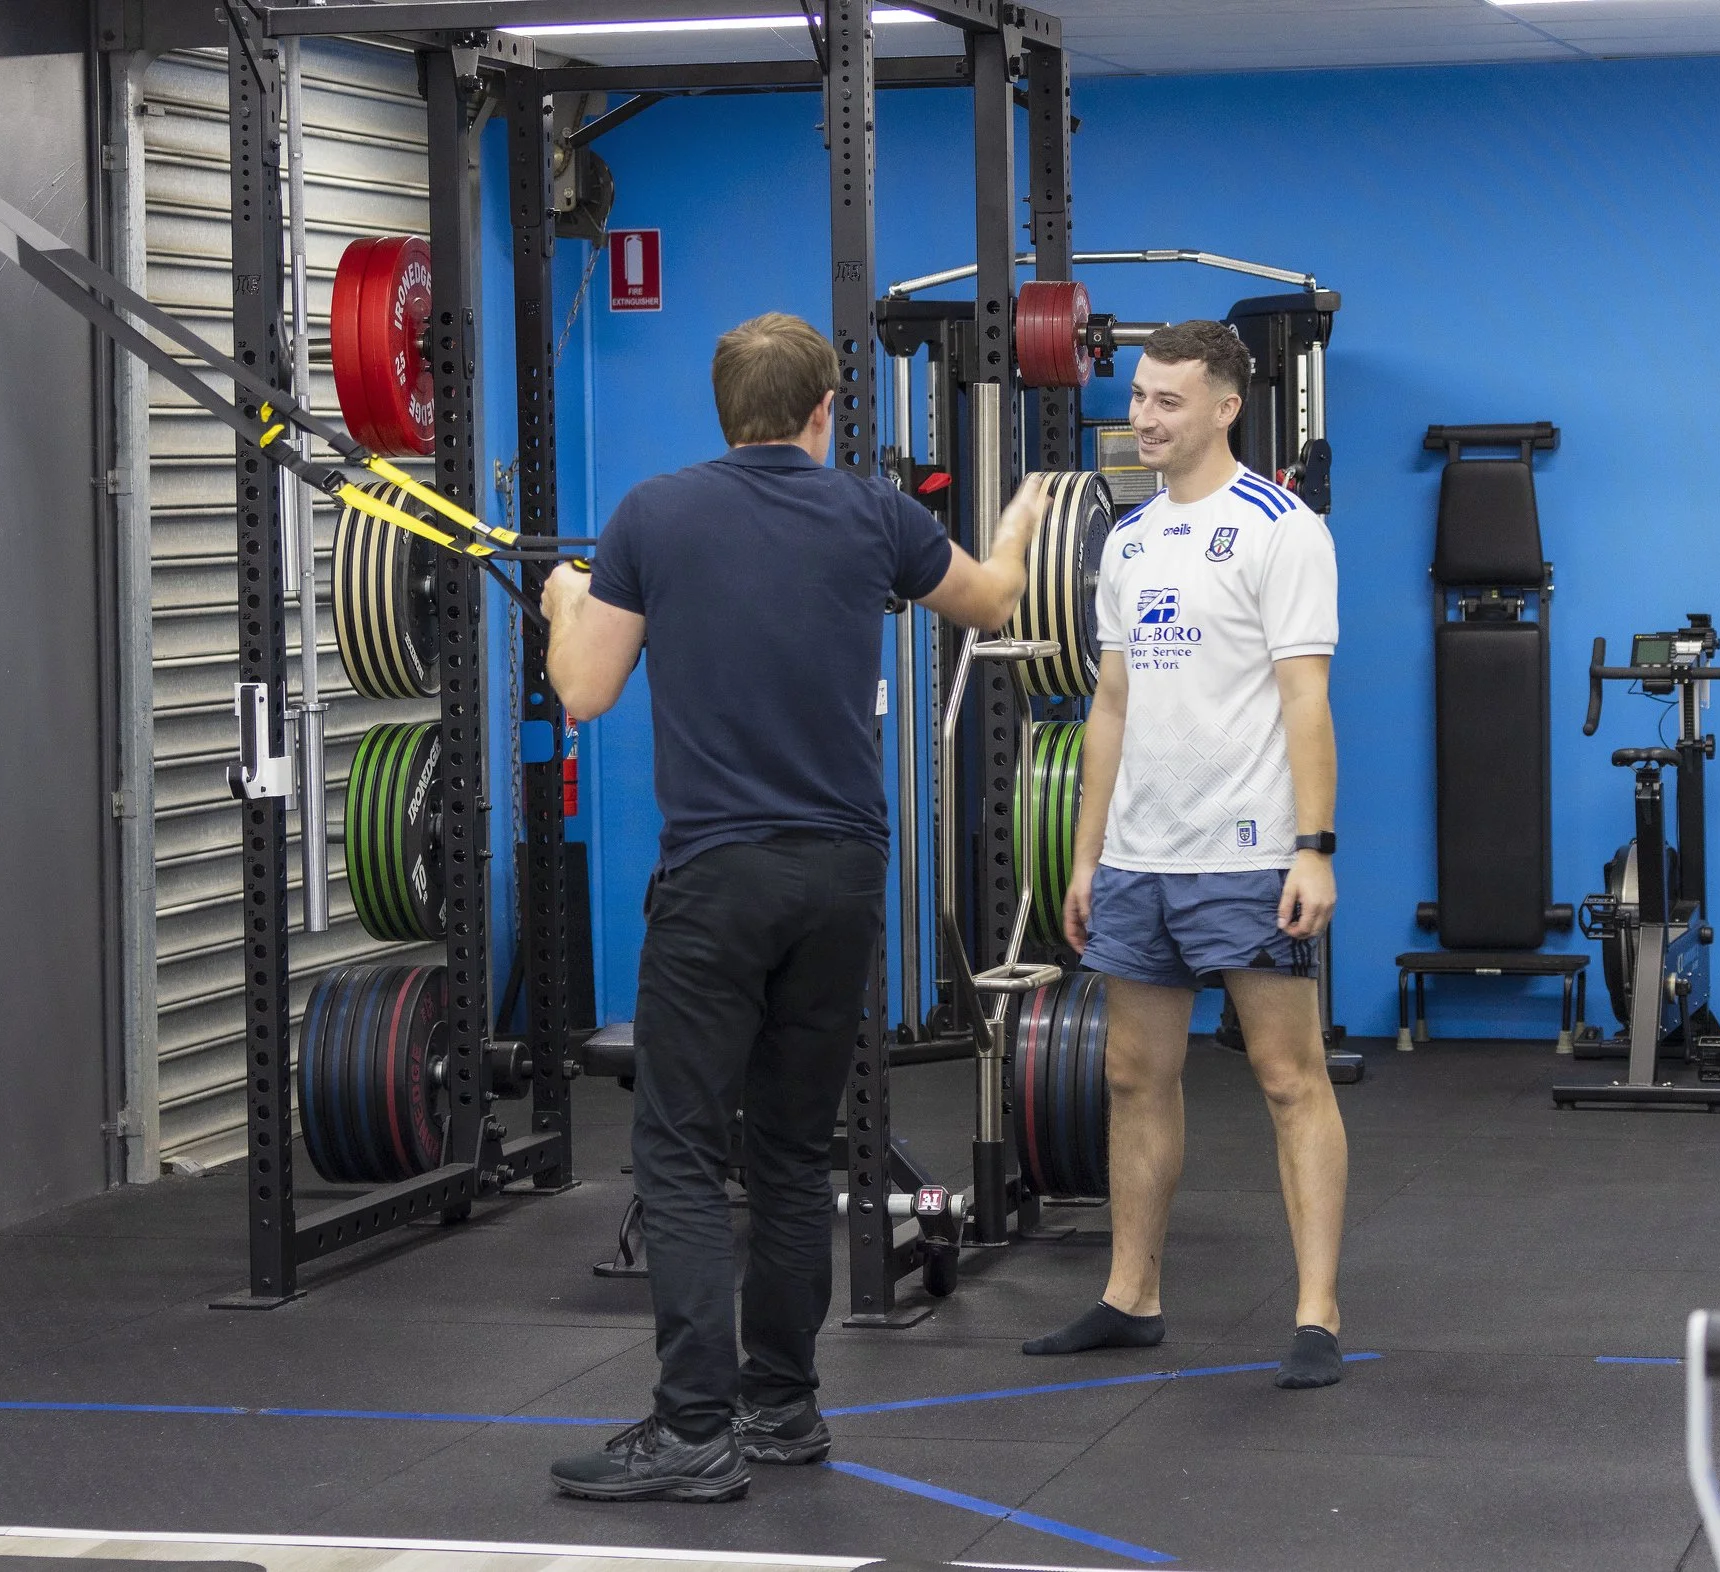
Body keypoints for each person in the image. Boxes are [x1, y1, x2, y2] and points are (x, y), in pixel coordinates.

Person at [538, 312, 1049, 1503]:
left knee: (674, 1151)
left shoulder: (650, 517)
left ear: (723, 408)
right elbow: (994, 603)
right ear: (824, 410)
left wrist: (567, 598)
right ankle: (780, 1410)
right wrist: (1015, 522)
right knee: (783, 1155)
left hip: (719, 882)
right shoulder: (876, 513)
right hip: (840, 879)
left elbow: (584, 690)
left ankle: (692, 1427)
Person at [1021, 319, 1348, 1390]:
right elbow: (1109, 704)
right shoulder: (1126, 538)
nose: (1142, 416)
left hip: (1248, 853)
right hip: (1138, 860)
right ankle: (1132, 1296)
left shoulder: (1281, 528)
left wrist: (1313, 848)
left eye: (1167, 399)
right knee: (1130, 1077)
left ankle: (1314, 1313)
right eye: (1137, 395)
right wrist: (1086, 853)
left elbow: (1307, 699)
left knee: (1287, 1079)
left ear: (1224, 406)